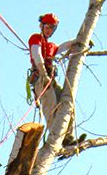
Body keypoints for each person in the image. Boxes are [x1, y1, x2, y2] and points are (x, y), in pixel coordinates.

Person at [28, 13, 85, 146]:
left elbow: (63, 47)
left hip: (51, 81)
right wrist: (43, 74)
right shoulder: (36, 38)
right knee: (51, 106)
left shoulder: (50, 46)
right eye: (47, 27)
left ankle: (68, 138)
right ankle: (56, 139)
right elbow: (36, 54)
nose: (49, 31)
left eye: (52, 29)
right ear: (41, 26)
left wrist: (80, 41)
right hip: (41, 80)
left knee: (67, 102)